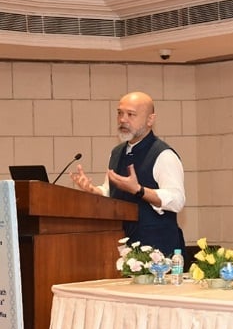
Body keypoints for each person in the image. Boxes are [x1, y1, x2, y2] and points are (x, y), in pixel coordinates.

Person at [70, 91, 186, 254]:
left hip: (157, 250)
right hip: (123, 246)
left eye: (131, 114)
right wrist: (93, 191)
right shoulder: (117, 153)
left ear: (150, 120)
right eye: (120, 113)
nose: (123, 119)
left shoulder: (163, 155)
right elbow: (111, 192)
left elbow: (177, 200)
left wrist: (139, 190)